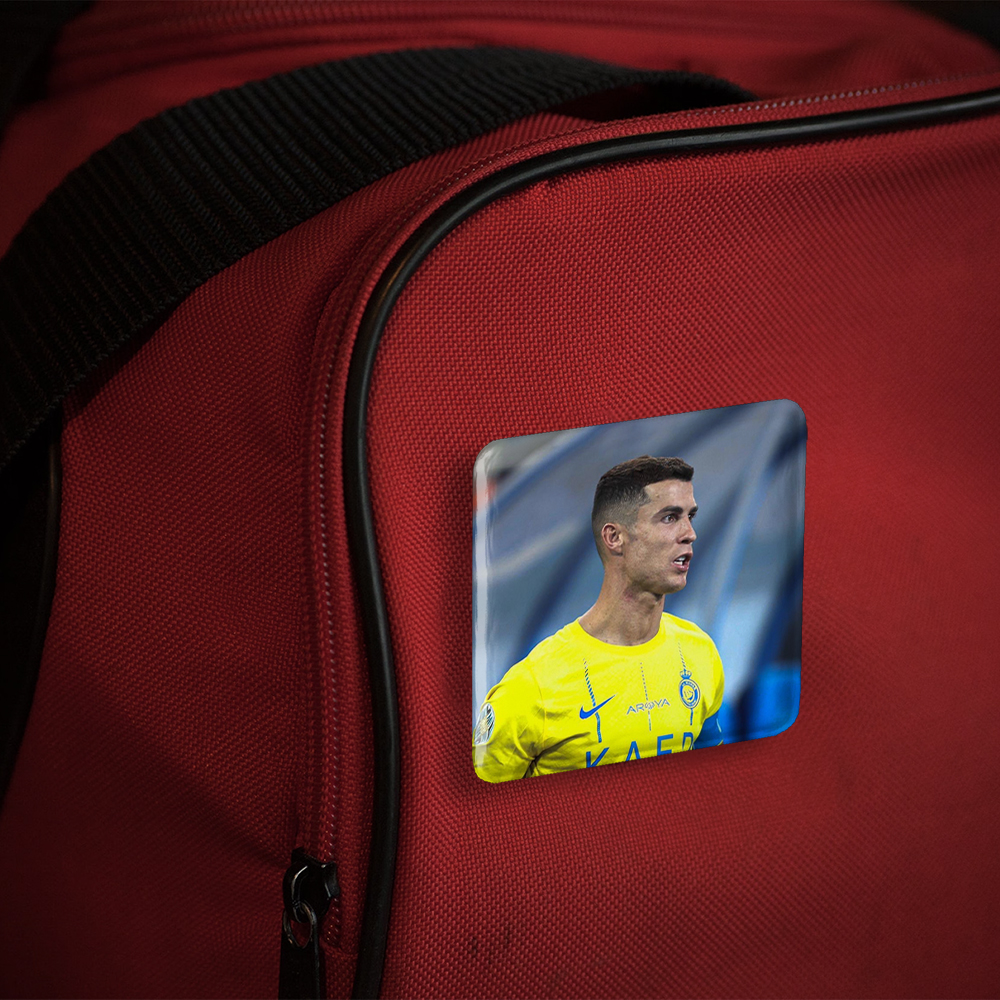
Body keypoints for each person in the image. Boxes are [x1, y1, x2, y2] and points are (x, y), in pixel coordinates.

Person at [474, 455, 724, 783]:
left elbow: (710, 779)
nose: (690, 533)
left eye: (690, 516)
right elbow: (475, 807)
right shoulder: (532, 686)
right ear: (614, 537)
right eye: (669, 518)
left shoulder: (700, 652)